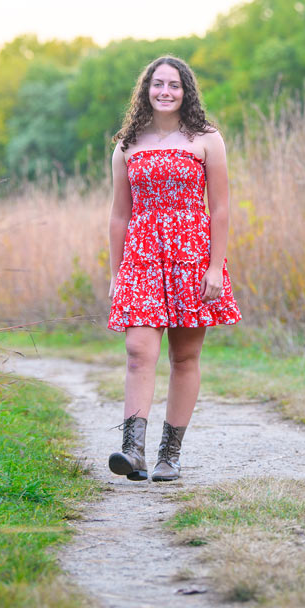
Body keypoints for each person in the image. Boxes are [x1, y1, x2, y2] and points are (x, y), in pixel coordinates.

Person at [106, 55, 241, 481]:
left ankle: (169, 455)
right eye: (157, 84)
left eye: (174, 85)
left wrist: (216, 267)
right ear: (145, 89)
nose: (165, 91)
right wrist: (116, 273)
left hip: (191, 256)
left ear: (186, 92)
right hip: (142, 258)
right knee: (138, 352)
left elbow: (219, 208)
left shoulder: (205, 139)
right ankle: (133, 451)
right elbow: (118, 216)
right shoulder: (127, 144)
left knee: (184, 357)